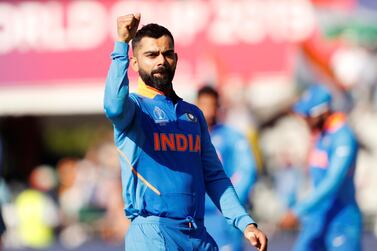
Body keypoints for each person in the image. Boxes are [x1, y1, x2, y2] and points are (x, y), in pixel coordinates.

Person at [103, 13, 267, 251]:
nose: (161, 60)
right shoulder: (134, 110)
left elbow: (214, 176)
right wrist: (121, 45)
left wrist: (245, 223)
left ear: (176, 59)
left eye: (167, 54)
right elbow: (113, 106)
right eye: (151, 55)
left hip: (196, 232)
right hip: (153, 233)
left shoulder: (192, 115)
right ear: (135, 62)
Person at [279, 84, 362, 251]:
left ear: (322, 113)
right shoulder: (320, 135)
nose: (304, 120)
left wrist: (298, 211)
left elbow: (333, 181)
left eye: (308, 116)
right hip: (317, 217)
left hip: (342, 219)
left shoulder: (343, 137)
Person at [197, 85, 258, 251]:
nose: (208, 111)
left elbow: (248, 171)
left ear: (218, 107)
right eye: (204, 105)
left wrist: (230, 206)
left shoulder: (233, 137)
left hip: (224, 216)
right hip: (199, 217)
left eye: (212, 105)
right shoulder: (190, 137)